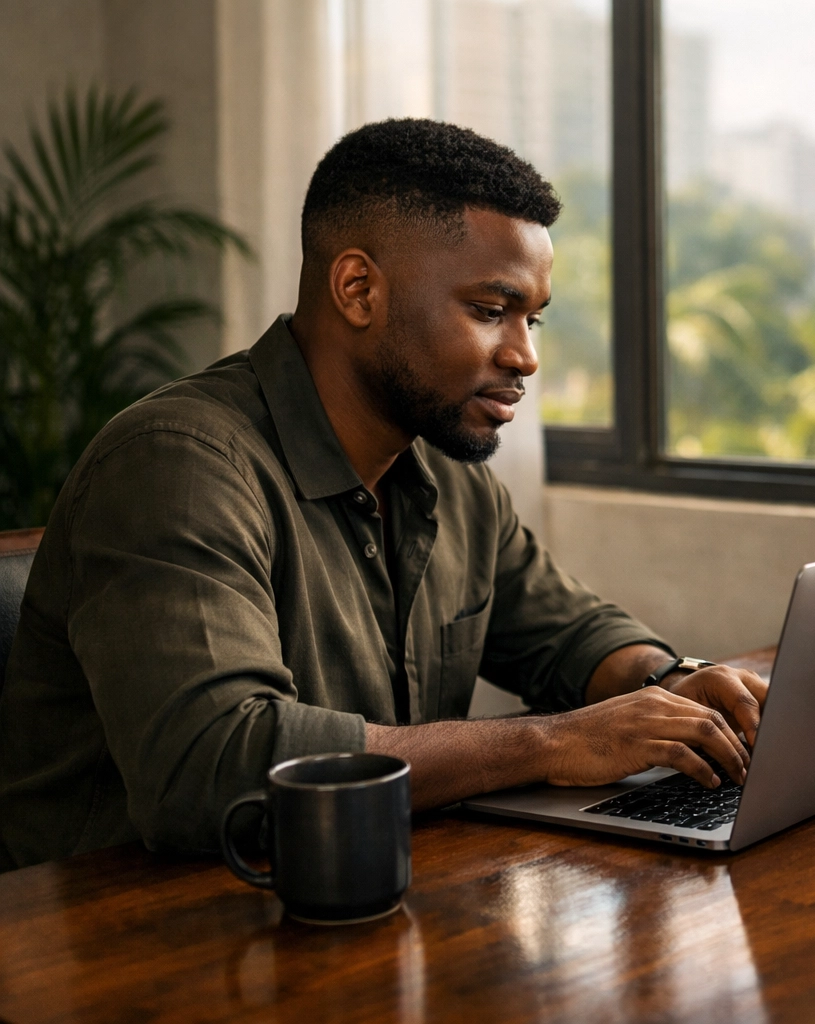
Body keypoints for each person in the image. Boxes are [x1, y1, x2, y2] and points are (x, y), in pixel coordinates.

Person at [0, 119, 767, 871]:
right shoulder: (176, 465)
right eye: (489, 310)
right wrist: (554, 741)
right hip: (127, 945)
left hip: (347, 900)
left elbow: (570, 634)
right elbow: (212, 767)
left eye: (532, 319)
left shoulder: (450, 475)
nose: (525, 356)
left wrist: (671, 686)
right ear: (358, 289)